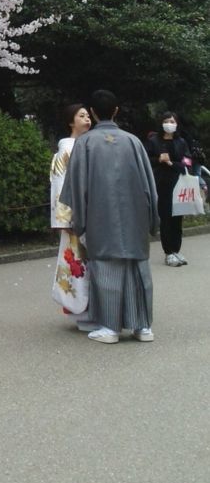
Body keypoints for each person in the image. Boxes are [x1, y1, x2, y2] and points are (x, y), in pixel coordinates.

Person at [59, 89, 159, 344]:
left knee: (106, 269)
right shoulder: (133, 142)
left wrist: (79, 224)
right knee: (138, 269)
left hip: (99, 217)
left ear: (93, 112)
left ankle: (110, 327)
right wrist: (152, 221)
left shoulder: (86, 143)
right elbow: (150, 188)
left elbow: (76, 188)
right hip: (135, 217)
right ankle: (142, 326)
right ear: (116, 111)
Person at [50, 104, 91, 318]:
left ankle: (89, 307)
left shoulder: (89, 144)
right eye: (81, 116)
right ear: (70, 122)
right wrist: (65, 219)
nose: (87, 119)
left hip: (91, 213)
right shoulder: (65, 150)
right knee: (76, 260)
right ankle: (78, 307)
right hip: (75, 216)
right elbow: (59, 185)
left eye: (87, 115)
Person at [146, 111, 192, 267]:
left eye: (173, 121)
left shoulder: (181, 142)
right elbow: (146, 160)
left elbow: (188, 161)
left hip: (179, 184)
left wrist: (174, 164)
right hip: (161, 184)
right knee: (165, 218)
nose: (170, 124)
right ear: (161, 123)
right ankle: (168, 253)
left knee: (177, 218)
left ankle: (177, 250)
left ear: (177, 124)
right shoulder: (153, 141)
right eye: (166, 121)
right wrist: (159, 159)